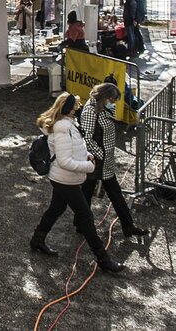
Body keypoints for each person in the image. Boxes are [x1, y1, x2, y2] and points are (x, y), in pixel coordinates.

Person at [29, 92, 124, 273]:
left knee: (56, 209)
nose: (78, 109)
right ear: (68, 109)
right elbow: (65, 161)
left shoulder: (69, 125)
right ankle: (103, 258)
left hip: (64, 178)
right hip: (65, 179)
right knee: (86, 216)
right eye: (75, 107)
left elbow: (71, 151)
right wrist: (88, 166)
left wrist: (86, 155)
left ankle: (37, 239)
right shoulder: (63, 129)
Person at [77, 82, 149, 240]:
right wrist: (99, 153)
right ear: (105, 97)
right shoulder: (90, 110)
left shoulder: (102, 108)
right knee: (89, 192)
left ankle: (127, 225)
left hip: (105, 160)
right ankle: (82, 224)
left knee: (107, 193)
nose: (114, 103)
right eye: (113, 99)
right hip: (97, 160)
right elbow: (87, 137)